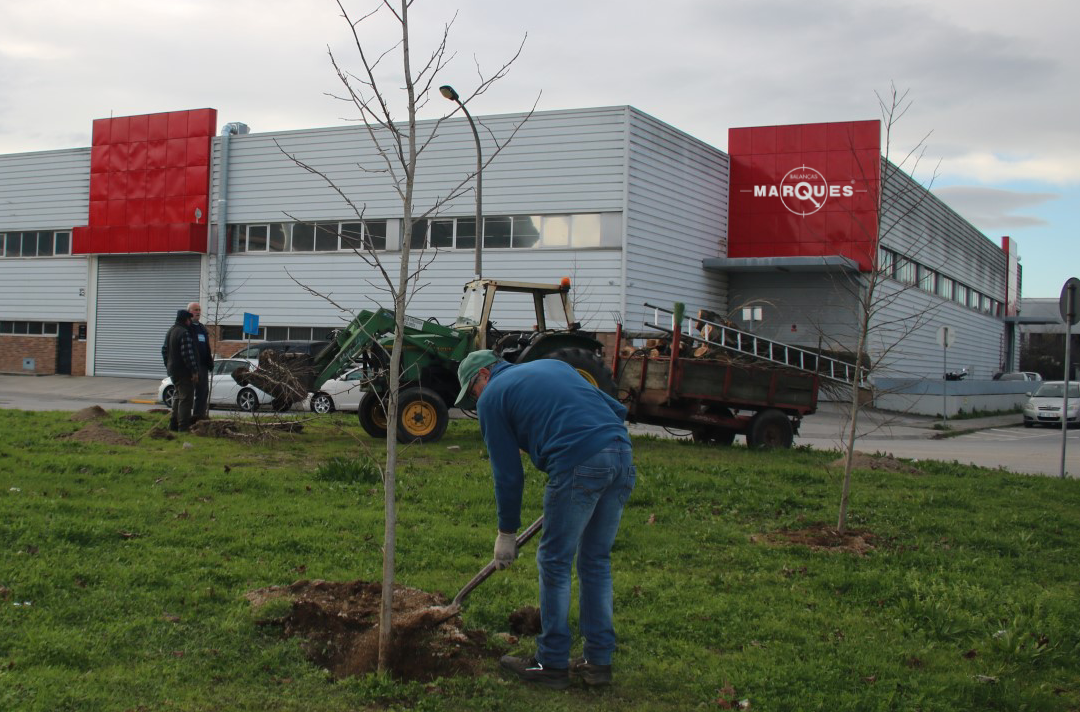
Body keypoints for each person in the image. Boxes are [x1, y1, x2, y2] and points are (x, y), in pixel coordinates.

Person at [455, 350, 635, 690]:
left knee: (554, 561)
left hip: (578, 460)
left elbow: (507, 475)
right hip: (621, 453)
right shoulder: (553, 366)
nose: (475, 400)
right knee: (595, 561)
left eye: (472, 391)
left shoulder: (493, 396)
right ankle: (598, 662)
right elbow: (617, 410)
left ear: (483, 376)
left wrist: (506, 532)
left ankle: (551, 663)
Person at [164, 309, 199, 432]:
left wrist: (168, 365)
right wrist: (194, 371)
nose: (190, 322)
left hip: (173, 370)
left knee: (178, 397)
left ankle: (173, 425)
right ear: (186, 320)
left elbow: (164, 351)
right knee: (186, 399)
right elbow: (188, 355)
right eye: (189, 319)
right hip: (184, 372)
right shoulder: (184, 333)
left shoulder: (171, 331)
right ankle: (183, 428)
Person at [187, 302, 214, 422]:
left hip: (203, 366)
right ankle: (184, 419)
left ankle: (198, 419)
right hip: (191, 367)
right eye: (195, 310)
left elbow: (207, 346)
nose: (198, 312)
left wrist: (209, 361)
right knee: (188, 394)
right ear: (189, 312)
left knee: (202, 393)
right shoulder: (187, 327)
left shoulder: (202, 328)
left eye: (199, 309)